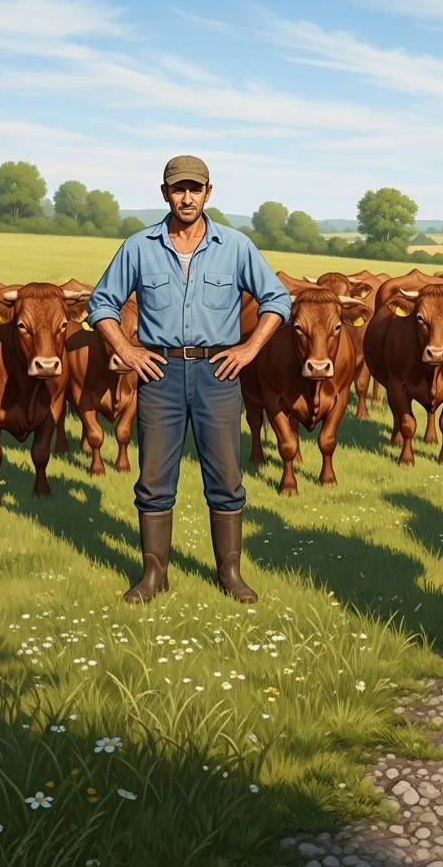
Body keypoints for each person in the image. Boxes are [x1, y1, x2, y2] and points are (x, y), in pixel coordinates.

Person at [86, 155, 291, 605]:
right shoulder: (138, 246)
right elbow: (101, 303)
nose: (187, 197)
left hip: (218, 373)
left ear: (208, 193)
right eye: (178, 189)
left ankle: (230, 573)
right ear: (165, 194)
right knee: (154, 479)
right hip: (159, 374)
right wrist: (127, 349)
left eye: (195, 189)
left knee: (226, 476)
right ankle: (153, 575)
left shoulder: (235, 246)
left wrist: (248, 349)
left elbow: (277, 299)